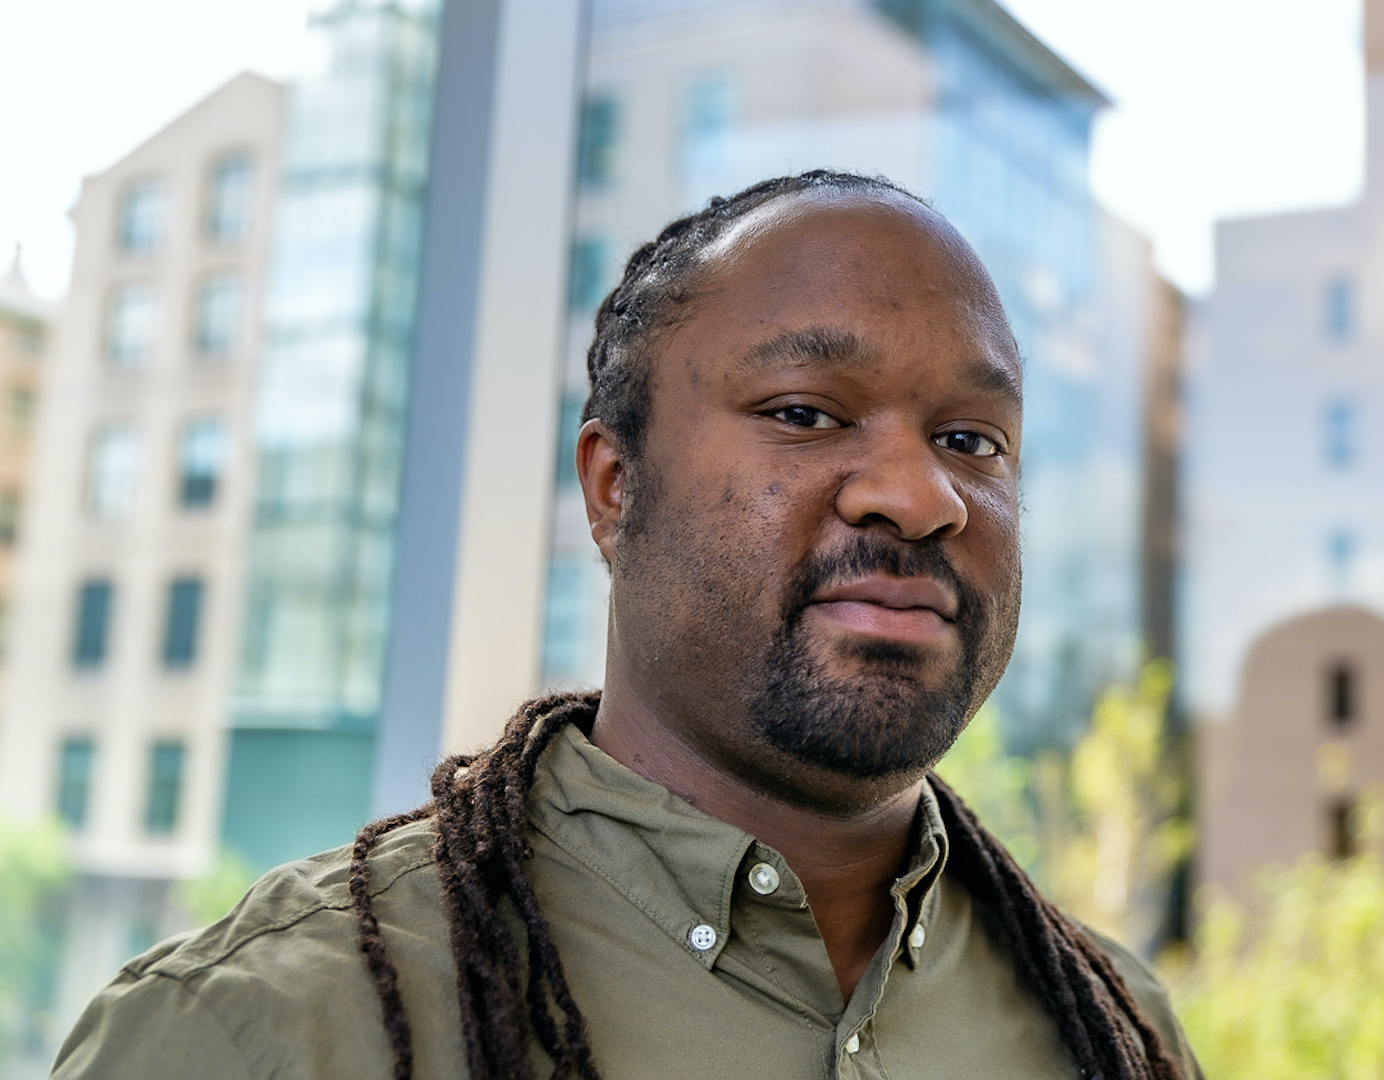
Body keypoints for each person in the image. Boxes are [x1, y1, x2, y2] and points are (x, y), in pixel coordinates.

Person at [52, 171, 1202, 1080]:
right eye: (805, 413)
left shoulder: (1118, 1030)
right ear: (614, 487)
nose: (920, 494)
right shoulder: (264, 1033)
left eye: (971, 440)